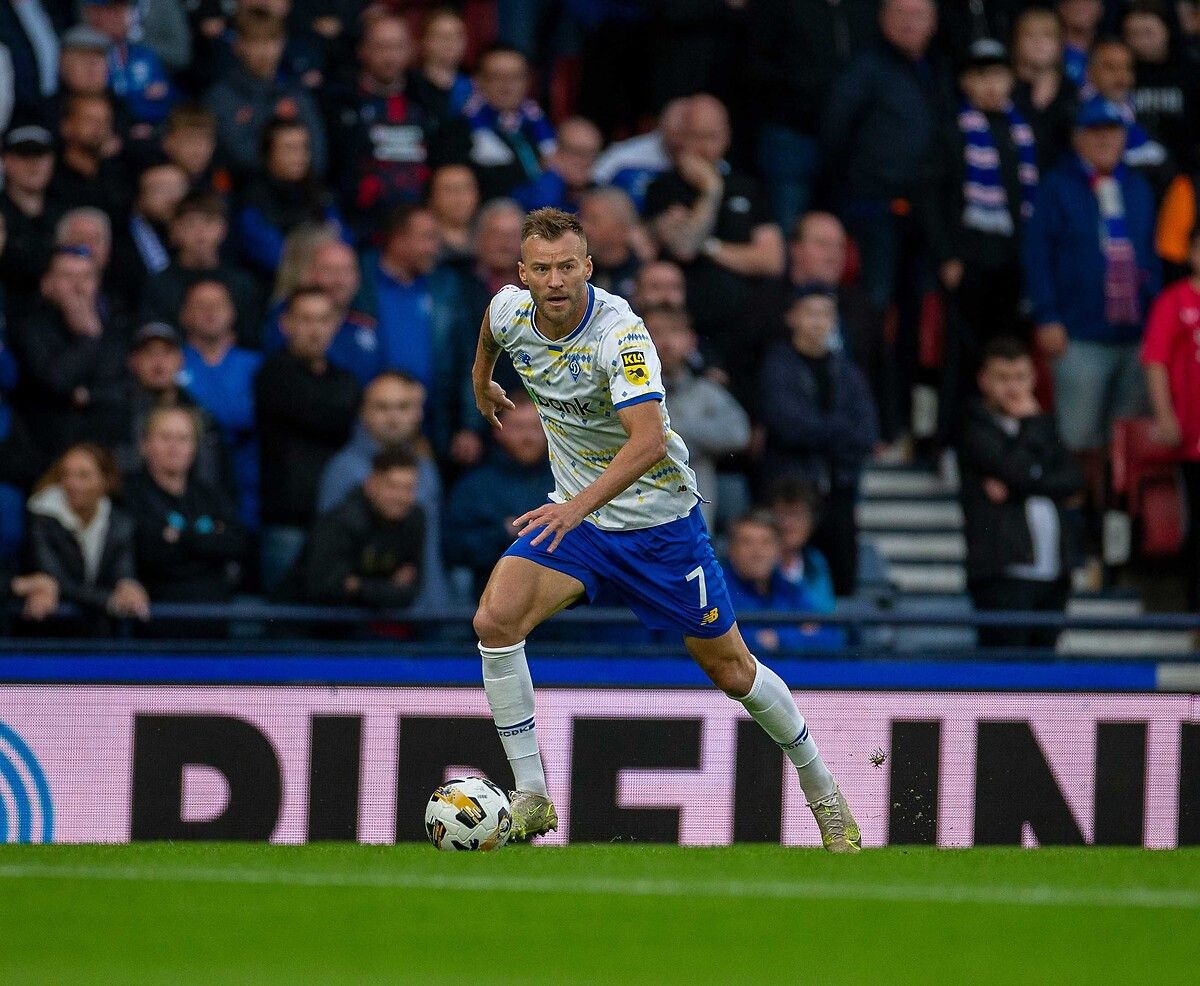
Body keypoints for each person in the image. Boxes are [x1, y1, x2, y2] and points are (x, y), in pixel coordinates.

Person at [469, 208, 860, 851]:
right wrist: (482, 380)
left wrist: (575, 507)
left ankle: (823, 790)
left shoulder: (620, 334)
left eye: (567, 267)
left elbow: (648, 441)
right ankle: (533, 796)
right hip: (583, 524)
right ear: (523, 274)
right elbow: (491, 324)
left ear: (588, 267)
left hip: (659, 528)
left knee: (732, 671)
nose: (555, 280)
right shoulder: (511, 310)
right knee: (495, 620)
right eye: (541, 269)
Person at [819, 0, 949, 447]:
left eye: (920, 14)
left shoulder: (935, 68)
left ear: (934, 22)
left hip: (924, 218)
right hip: (875, 213)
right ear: (882, 18)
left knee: (918, 322)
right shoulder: (865, 69)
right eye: (902, 13)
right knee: (873, 320)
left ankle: (912, 426)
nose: (911, 22)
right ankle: (873, 422)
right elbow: (835, 135)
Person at [1023, 99, 1160, 485]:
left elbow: (1151, 254)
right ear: (1077, 138)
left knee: (1124, 437)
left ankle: (1112, 513)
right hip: (1078, 333)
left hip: (1136, 335)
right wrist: (1047, 315)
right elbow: (1037, 255)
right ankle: (1074, 510)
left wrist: (1155, 319)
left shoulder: (1137, 187)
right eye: (1095, 132)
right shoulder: (1057, 186)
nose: (1104, 140)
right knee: (1078, 436)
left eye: (1112, 132)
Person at [644, 93, 785, 408]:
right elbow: (684, 246)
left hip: (746, 328)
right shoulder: (663, 188)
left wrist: (710, 246)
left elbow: (772, 260)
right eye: (696, 136)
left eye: (712, 137)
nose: (704, 147)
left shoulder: (748, 187)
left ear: (726, 138)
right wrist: (711, 191)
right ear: (681, 138)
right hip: (692, 329)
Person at [959, 338, 1084, 648]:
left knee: (1045, 668)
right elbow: (1014, 470)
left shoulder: (1044, 425)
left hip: (1054, 571)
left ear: (1034, 378)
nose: (1013, 388)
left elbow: (1072, 480)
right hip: (1001, 572)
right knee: (1007, 669)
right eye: (1003, 378)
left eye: (1020, 377)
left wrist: (1021, 486)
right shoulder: (974, 426)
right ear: (984, 380)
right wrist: (1031, 426)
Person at [758, 285, 879, 596]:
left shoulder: (847, 371)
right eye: (810, 313)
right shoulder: (777, 366)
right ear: (792, 317)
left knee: (842, 584)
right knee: (786, 581)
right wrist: (839, 430)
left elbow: (867, 433)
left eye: (826, 314)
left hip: (839, 492)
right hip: (790, 491)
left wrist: (823, 431)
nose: (818, 321)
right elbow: (788, 426)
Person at [255, 286, 360, 590]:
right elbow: (331, 418)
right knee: (285, 611)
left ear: (335, 324)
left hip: (338, 521)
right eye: (305, 319)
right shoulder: (272, 374)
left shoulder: (345, 379)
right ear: (285, 324)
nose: (315, 330)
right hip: (288, 524)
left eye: (323, 320)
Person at [317, 370, 448, 610]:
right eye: (382, 407)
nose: (393, 417)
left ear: (417, 413)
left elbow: (431, 551)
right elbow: (329, 558)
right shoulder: (343, 470)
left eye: (402, 407)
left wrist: (437, 606)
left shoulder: (426, 467)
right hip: (357, 616)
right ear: (363, 413)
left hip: (424, 610)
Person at [361, 204, 479, 462]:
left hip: (435, 427)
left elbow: (468, 357)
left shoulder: (447, 287)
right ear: (398, 239)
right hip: (369, 427)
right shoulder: (361, 281)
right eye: (427, 238)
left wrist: (469, 424)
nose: (435, 248)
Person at [746, 0, 878, 233]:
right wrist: (800, 90)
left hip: (848, 143)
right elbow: (755, 63)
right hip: (792, 134)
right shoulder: (780, 6)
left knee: (840, 232)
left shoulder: (864, 7)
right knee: (788, 227)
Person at [10, 246, 128, 457]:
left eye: (86, 277)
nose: (78, 286)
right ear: (47, 284)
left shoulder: (115, 325)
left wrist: (87, 395)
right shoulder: (28, 327)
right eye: (68, 276)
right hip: (43, 450)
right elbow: (55, 382)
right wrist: (88, 338)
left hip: (105, 450)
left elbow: (124, 388)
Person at [642, 304, 750, 531]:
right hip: (638, 512)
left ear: (691, 341)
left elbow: (739, 434)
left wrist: (670, 431)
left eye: (675, 331)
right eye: (656, 332)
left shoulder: (706, 391)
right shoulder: (624, 391)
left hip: (694, 516)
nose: (666, 342)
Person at [123, 405, 246, 603]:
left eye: (183, 438)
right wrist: (205, 537)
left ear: (195, 448)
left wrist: (177, 536)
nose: (174, 447)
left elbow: (236, 543)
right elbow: (147, 552)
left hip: (214, 609)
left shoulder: (210, 495)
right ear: (144, 444)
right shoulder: (128, 494)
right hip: (155, 609)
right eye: (165, 437)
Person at [25, 442, 150, 626]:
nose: (72, 483)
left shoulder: (120, 523)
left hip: (101, 630)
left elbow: (122, 570)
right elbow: (54, 579)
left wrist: (128, 586)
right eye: (66, 474)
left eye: (83, 475)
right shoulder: (41, 518)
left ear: (106, 480)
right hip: (49, 627)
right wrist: (109, 601)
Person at [287, 444, 424, 608]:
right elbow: (326, 586)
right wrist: (387, 587)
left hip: (371, 618)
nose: (400, 497)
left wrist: (358, 585)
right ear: (370, 484)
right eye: (392, 486)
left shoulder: (415, 519)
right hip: (304, 616)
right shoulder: (341, 521)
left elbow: (410, 589)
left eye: (408, 488)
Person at [444, 392, 554, 596]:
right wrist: (504, 532)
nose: (528, 437)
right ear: (498, 430)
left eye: (536, 427)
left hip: (566, 603)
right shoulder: (475, 486)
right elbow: (453, 548)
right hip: (491, 596)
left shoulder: (567, 480)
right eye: (518, 427)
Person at [1142, 225, 1200, 605]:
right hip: (1193, 436)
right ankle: (1194, 611)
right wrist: (1164, 416)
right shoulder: (1174, 300)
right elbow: (1155, 360)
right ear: (1191, 253)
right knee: (1195, 522)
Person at [203, 8, 327, 180]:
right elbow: (236, 154)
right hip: (247, 188)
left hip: (300, 188)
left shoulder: (296, 93)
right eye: (256, 42)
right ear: (238, 45)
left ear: (283, 43)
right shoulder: (221, 97)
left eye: (271, 41)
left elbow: (318, 155)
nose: (265, 50)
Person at [178, 278, 263, 528]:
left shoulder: (255, 365)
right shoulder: (173, 362)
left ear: (232, 312)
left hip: (248, 487)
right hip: (190, 483)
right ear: (184, 314)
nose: (210, 312)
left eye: (218, 305)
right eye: (201, 305)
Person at [141, 190, 264, 346]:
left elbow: (251, 336)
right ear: (174, 230)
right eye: (190, 224)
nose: (200, 232)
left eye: (208, 222)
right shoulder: (159, 285)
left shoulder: (242, 283)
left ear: (223, 228)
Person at [117, 321, 226, 492]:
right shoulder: (115, 415)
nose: (158, 362)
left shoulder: (202, 416)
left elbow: (211, 478)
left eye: (166, 352)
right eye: (149, 353)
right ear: (133, 361)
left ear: (180, 360)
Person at [721, 511, 842, 654]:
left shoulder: (790, 590)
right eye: (747, 542)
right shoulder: (715, 592)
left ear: (778, 549)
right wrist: (800, 634)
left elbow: (833, 637)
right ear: (731, 550)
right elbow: (726, 644)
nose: (757, 553)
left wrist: (779, 639)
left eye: (766, 543)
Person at [236, 117, 346, 275]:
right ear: (268, 153)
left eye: (304, 148)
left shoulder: (320, 194)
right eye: (290, 148)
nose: (299, 156)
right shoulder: (252, 200)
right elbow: (272, 256)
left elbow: (343, 241)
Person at [462, 44, 555, 201]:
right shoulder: (462, 130)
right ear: (478, 81)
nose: (507, 85)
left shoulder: (539, 124)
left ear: (528, 81)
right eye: (497, 77)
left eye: (515, 77)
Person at [0, 124, 61, 323]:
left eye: (40, 155)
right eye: (24, 155)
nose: (33, 164)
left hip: (58, 318)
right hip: (10, 316)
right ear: (5, 161)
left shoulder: (64, 210)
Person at [1011, 6, 1079, 172]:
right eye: (1030, 35)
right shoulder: (1004, 89)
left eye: (1047, 36)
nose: (1039, 43)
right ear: (1017, 42)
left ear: (1060, 44)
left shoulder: (1072, 91)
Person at [766, 478, 837, 610]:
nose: (789, 524)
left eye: (797, 516)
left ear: (811, 522)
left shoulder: (815, 561)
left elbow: (825, 611)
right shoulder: (759, 560)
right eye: (782, 515)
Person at [511, 116, 603, 214]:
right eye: (577, 152)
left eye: (593, 154)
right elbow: (543, 211)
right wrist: (552, 175)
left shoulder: (599, 194)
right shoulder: (530, 192)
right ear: (557, 152)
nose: (586, 161)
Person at [578, 187, 641, 301]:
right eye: (582, 219)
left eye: (593, 220)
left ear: (620, 228)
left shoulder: (643, 274)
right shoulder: (575, 274)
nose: (583, 228)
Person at [427, 163, 480, 263]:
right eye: (448, 189)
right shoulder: (422, 244)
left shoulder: (490, 236)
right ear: (432, 197)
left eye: (465, 188)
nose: (459, 197)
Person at [1058, 0, 1104, 86]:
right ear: (1062, 7)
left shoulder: (1113, 51)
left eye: (1089, 1)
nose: (1082, 7)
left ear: (1100, 8)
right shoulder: (1047, 52)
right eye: (1076, 1)